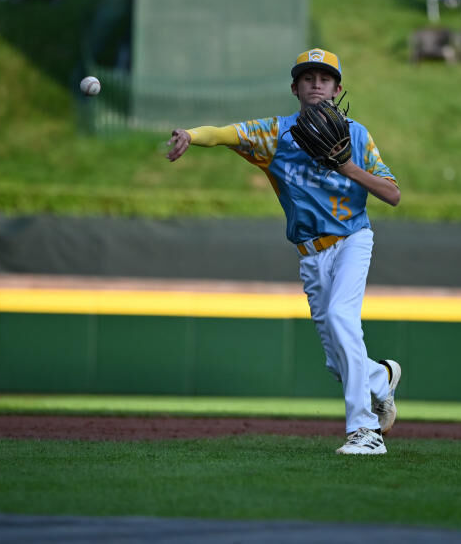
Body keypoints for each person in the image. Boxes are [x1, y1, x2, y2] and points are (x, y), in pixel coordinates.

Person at [165, 48, 402, 455]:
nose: (315, 84)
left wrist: (348, 167)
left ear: (338, 88)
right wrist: (191, 134)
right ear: (294, 88)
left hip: (352, 240)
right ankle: (380, 378)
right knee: (338, 362)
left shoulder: (357, 135)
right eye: (307, 78)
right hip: (311, 255)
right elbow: (223, 134)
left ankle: (366, 433)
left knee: (345, 319)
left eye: (324, 78)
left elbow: (392, 194)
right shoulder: (275, 134)